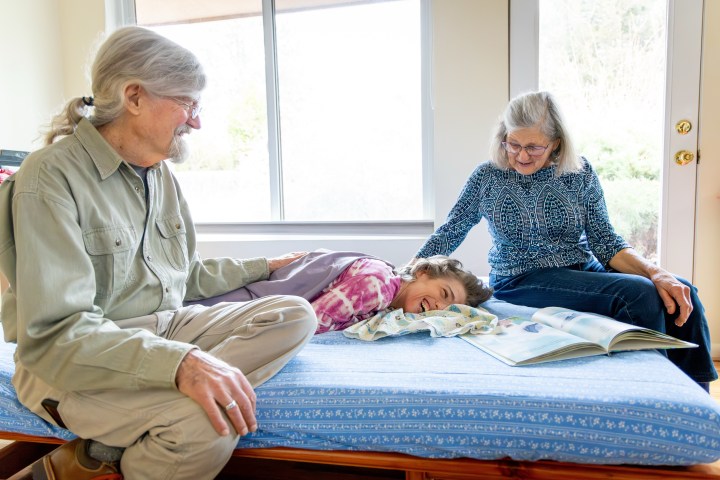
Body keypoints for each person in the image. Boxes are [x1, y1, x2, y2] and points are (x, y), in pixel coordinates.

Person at [0, 26, 318, 480]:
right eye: (188, 103)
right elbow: (57, 333)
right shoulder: (48, 178)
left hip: (165, 328)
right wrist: (180, 364)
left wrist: (263, 267)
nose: (197, 121)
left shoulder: (158, 174)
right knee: (207, 424)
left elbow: (181, 276)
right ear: (133, 96)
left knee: (294, 314)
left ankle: (97, 455)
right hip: (75, 359)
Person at [414, 90, 717, 391]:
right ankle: (655, 392)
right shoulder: (488, 177)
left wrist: (657, 272)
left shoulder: (579, 173)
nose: (520, 155)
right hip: (520, 277)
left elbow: (605, 241)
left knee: (681, 290)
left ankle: (698, 401)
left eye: (533, 147)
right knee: (638, 295)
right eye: (513, 144)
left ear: (556, 143)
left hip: (580, 268)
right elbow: (450, 230)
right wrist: (405, 274)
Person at [189, 249, 493, 334]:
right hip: (231, 308)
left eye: (446, 308)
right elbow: (311, 323)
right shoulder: (378, 285)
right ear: (422, 273)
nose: (438, 305)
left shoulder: (384, 279)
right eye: (443, 293)